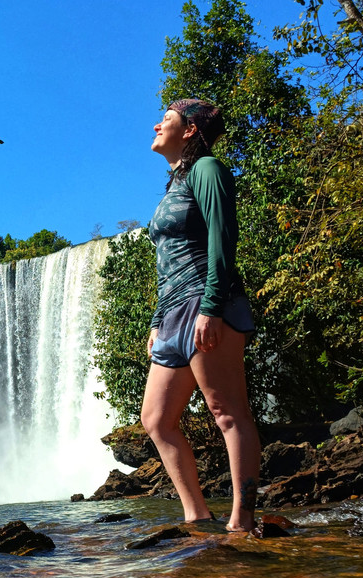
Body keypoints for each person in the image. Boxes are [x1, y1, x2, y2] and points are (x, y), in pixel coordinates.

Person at [142, 98, 261, 534]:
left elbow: (222, 241)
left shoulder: (208, 169)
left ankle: (241, 522)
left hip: (206, 303)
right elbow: (166, 260)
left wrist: (211, 307)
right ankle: (197, 517)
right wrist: (157, 321)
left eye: (167, 120)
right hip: (172, 313)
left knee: (227, 412)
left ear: (190, 130)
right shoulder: (176, 183)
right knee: (156, 420)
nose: (157, 125)